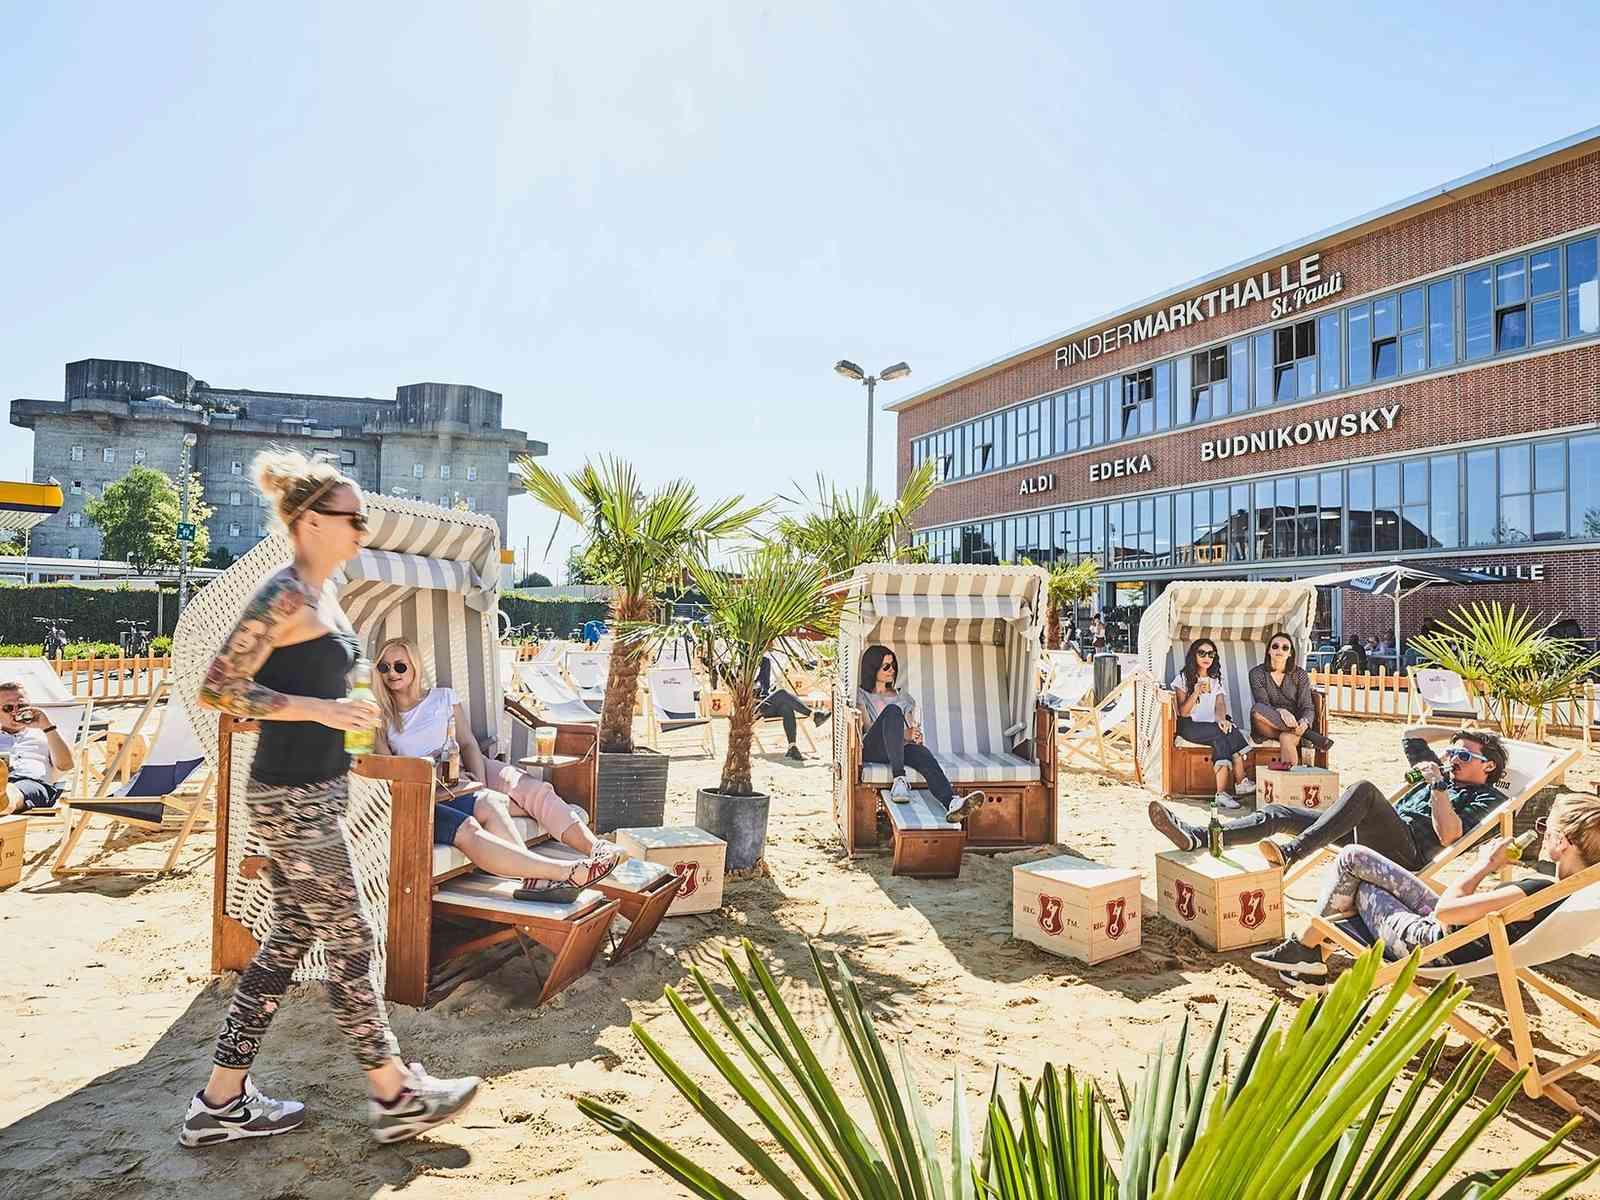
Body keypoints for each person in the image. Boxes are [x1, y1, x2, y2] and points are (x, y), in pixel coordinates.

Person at [182, 447, 479, 1149]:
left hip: (317, 792)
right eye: (354, 518)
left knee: (287, 942)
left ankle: (220, 1102)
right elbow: (219, 687)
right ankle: (394, 1093)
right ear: (312, 521)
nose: (363, 530)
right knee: (352, 942)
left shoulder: (326, 594)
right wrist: (316, 710)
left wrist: (332, 709)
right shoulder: (283, 593)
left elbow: (294, 689)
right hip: (291, 800)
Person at [1250, 792, 1600, 983]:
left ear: (1563, 843)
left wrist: (1485, 865)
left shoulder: (1537, 891)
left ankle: (1308, 949)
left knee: (1353, 866)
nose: (1541, 834)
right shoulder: (1574, 894)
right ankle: (1309, 948)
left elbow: (1447, 912)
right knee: (1359, 864)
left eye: (1546, 828)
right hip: (1455, 937)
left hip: (1429, 945)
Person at [370, 636, 622, 894]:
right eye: (384, 667)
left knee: (534, 790)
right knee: (494, 802)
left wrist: (480, 782)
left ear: (415, 666)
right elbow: (389, 768)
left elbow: (467, 743)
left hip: (467, 766)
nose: (391, 673)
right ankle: (536, 874)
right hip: (431, 780)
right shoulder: (380, 715)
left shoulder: (443, 697)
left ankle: (595, 848)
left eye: (399, 666)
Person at [1149, 725, 1508, 872]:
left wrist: (1439, 787)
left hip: (1406, 854)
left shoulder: (1489, 798)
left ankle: (1292, 853)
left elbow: (1449, 836)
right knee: (1276, 813)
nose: (1453, 759)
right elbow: (1411, 735)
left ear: (1488, 766)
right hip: (1374, 836)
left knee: (1364, 789)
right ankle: (1200, 835)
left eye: (1464, 757)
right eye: (1453, 754)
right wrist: (1460, 734)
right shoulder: (1440, 768)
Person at [857, 644, 983, 821]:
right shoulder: (862, 695)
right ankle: (899, 779)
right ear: (872, 668)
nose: (891, 670)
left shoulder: (903, 697)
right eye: (886, 666)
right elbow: (869, 728)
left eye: (893, 665)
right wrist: (903, 734)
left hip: (897, 750)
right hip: (873, 748)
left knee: (921, 752)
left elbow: (910, 725)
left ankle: (952, 803)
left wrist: (914, 736)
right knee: (892, 711)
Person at [1170, 638, 1255, 810]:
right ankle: (1241, 780)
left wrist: (1221, 720)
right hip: (1190, 726)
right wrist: (1195, 692)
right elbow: (1183, 712)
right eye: (1201, 653)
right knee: (1221, 733)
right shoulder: (1182, 678)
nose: (1206, 657)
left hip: (1211, 727)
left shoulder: (1215, 680)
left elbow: (1220, 705)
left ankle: (1221, 794)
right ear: (1194, 655)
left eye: (1210, 654)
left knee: (1222, 735)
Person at [1248, 632, 1334, 765]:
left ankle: (1291, 782)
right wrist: (1282, 711)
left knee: (1286, 737)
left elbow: (1307, 707)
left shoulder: (1299, 675)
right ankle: (1308, 735)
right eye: (1275, 646)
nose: (1279, 650)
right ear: (1269, 651)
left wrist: (1304, 723)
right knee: (1257, 709)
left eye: (1285, 648)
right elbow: (1263, 704)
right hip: (1266, 725)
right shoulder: (1257, 673)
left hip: (1296, 724)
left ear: (1290, 653)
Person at [0, 681, 75, 815]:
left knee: (13, 790)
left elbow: (66, 765)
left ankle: (4, 800)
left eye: (22, 706)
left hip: (33, 784)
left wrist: (47, 726)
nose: (16, 712)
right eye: (8, 708)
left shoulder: (48, 733)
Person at [754, 653, 828, 762]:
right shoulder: (739, 671)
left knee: (786, 707)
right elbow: (721, 668)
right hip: (754, 710)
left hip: (768, 704)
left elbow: (765, 685)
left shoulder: (764, 663)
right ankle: (814, 715)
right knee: (782, 692)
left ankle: (792, 747)